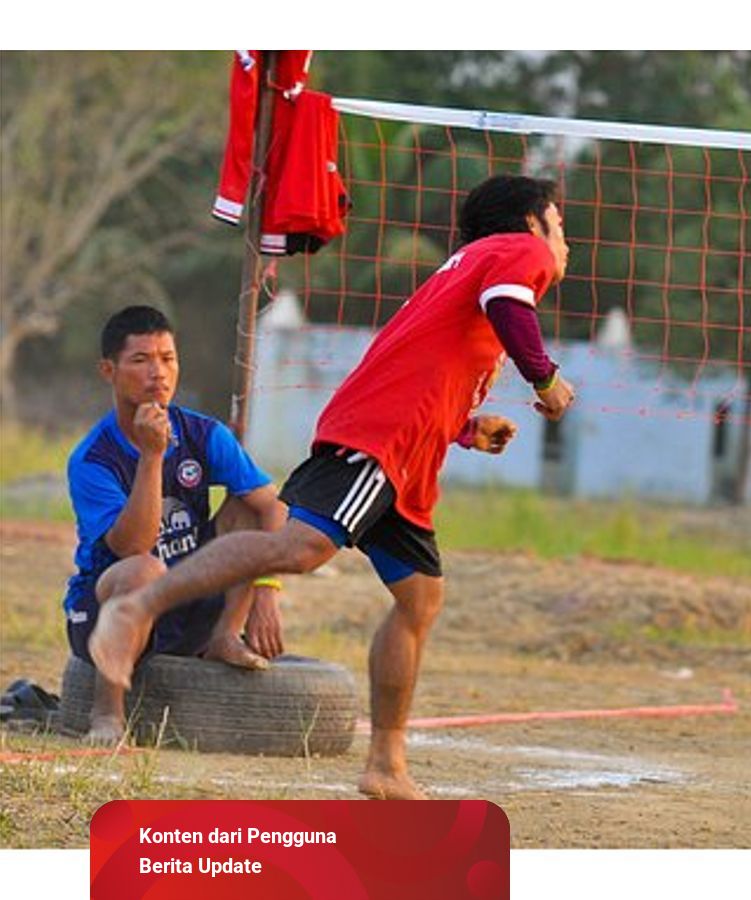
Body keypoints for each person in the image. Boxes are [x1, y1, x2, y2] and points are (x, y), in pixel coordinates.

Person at [88, 174, 576, 798]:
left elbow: (423, 366)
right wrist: (546, 382)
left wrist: (464, 428)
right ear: (532, 223)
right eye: (559, 227)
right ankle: (137, 608)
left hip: (407, 454)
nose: (564, 244)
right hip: (381, 440)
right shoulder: (518, 252)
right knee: (300, 548)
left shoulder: (467, 266)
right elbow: (510, 310)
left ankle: (385, 766)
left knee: (419, 601)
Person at [65, 305, 288, 743]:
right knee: (143, 570)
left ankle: (224, 636)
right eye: (141, 360)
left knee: (247, 505)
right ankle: (107, 713)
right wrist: (152, 456)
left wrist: (267, 590)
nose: (158, 374)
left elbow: (274, 508)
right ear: (108, 370)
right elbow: (135, 546)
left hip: (188, 600)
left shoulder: (205, 434)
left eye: (167, 359)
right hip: (108, 610)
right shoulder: (93, 459)